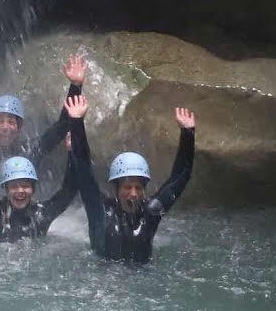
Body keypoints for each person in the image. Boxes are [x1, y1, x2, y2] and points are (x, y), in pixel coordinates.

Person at [74, 107, 196, 263]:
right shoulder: (101, 210)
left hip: (141, 278)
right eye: (127, 187)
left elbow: (180, 177)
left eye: (138, 188)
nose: (133, 193)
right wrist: (77, 123)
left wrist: (188, 133)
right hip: (103, 279)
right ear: (117, 188)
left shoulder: (150, 213)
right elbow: (84, 173)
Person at [0, 95, 91, 242]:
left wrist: (73, 152)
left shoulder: (41, 215)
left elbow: (70, 189)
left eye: (25, 186)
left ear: (34, 188)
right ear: (5, 188)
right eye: (14, 186)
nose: (20, 190)